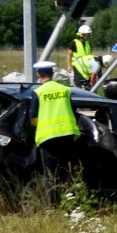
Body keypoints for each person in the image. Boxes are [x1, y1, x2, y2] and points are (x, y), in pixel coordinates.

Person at [30, 61, 80, 199]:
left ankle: (53, 203)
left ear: (38, 74)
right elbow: (73, 111)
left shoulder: (38, 92)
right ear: (52, 74)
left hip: (48, 138)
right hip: (67, 135)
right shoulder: (65, 90)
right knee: (67, 171)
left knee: (51, 173)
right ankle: (70, 200)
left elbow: (33, 118)